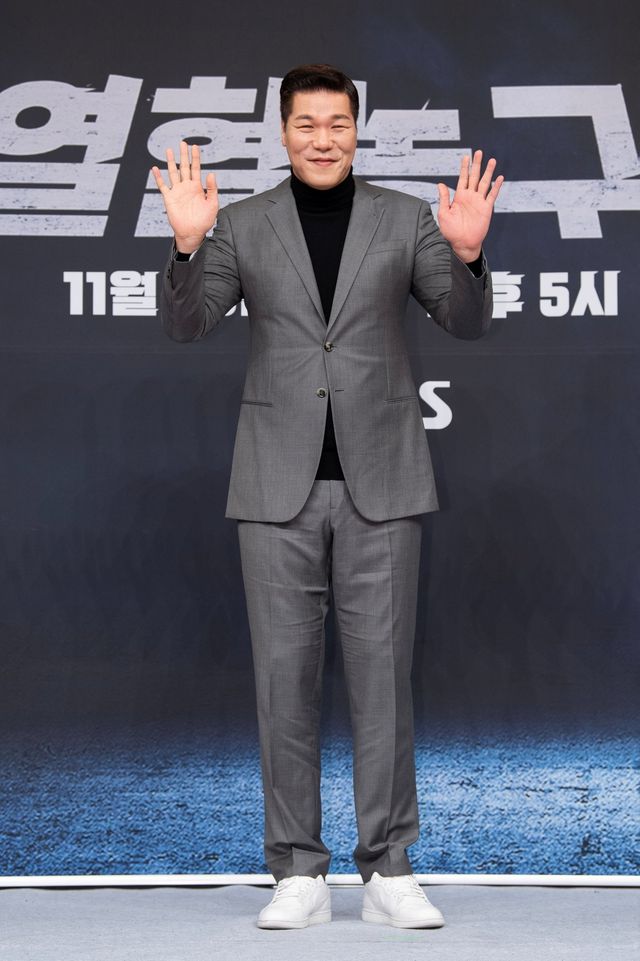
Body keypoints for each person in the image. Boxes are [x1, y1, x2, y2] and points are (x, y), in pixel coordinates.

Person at [153, 63, 503, 931]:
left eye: (337, 124)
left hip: (383, 481)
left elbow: (464, 321)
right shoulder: (242, 223)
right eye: (306, 124)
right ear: (283, 132)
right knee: (283, 684)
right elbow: (188, 324)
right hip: (275, 483)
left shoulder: (405, 218)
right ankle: (297, 869)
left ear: (356, 129)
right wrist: (189, 247)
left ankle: (389, 867)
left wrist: (468, 255)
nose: (323, 139)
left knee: (385, 685)